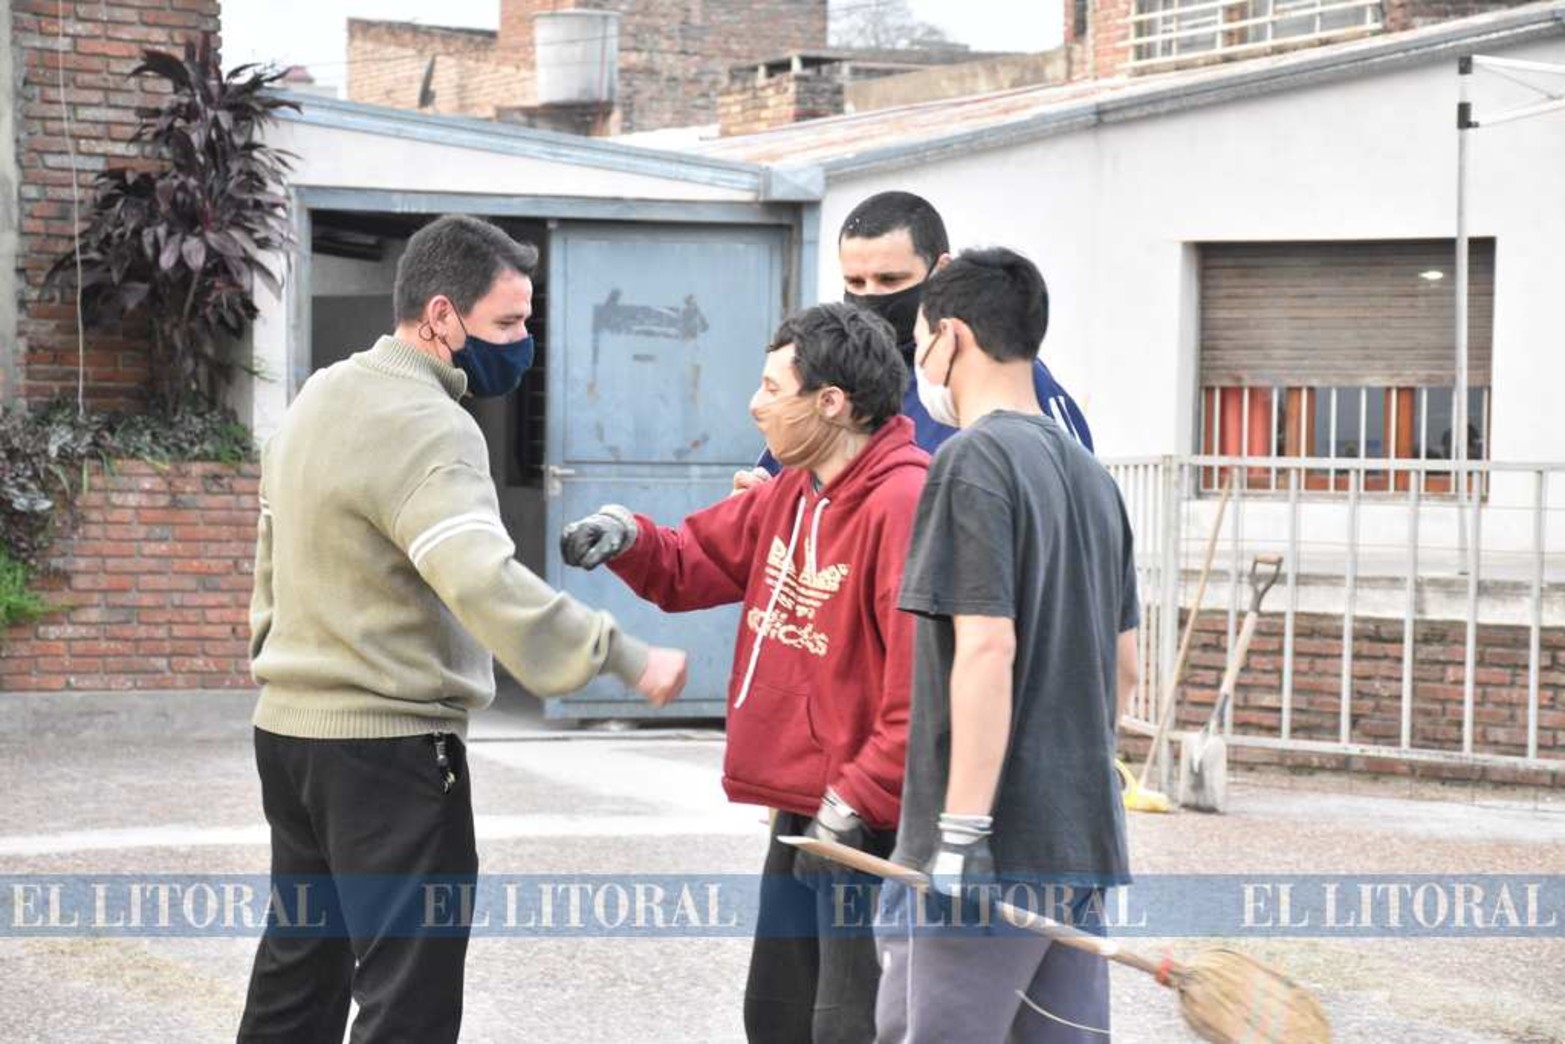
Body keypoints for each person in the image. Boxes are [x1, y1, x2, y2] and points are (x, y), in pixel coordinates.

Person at [238, 214, 687, 1044]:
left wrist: (278, 660)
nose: (522, 345)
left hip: (290, 737)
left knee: (297, 977)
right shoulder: (431, 425)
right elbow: (479, 575)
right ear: (441, 315)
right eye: (507, 324)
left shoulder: (320, 395)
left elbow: (271, 553)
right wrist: (618, 653)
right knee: (407, 996)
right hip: (388, 750)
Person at [559, 304, 927, 1044]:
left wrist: (859, 797)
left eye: (772, 388)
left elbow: (920, 693)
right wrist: (629, 538)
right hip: (804, 807)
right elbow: (694, 560)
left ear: (831, 402)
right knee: (777, 1016)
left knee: (849, 1027)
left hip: (867, 821)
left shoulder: (903, 502)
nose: (755, 405)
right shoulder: (791, 489)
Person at [874, 248, 1141, 1044]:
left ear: (950, 336)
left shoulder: (972, 460)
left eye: (920, 340)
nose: (920, 362)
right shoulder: (1092, 477)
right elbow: (1125, 668)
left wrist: (962, 833)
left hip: (991, 848)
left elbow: (987, 647)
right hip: (1078, 842)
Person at [739, 191, 1090, 494]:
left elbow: (1076, 499)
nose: (871, 296)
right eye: (855, 283)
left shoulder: (1003, 377)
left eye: (890, 280)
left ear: (941, 270)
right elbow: (785, 487)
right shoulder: (827, 373)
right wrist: (758, 503)